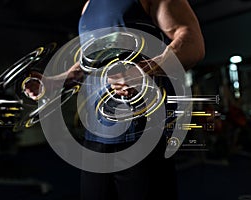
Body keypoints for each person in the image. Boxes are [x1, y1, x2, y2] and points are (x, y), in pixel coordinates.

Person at [26, 0, 205, 199]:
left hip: (143, 131)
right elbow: (90, 61)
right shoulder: (88, 5)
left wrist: (142, 70)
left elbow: (192, 42)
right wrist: (54, 82)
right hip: (96, 134)